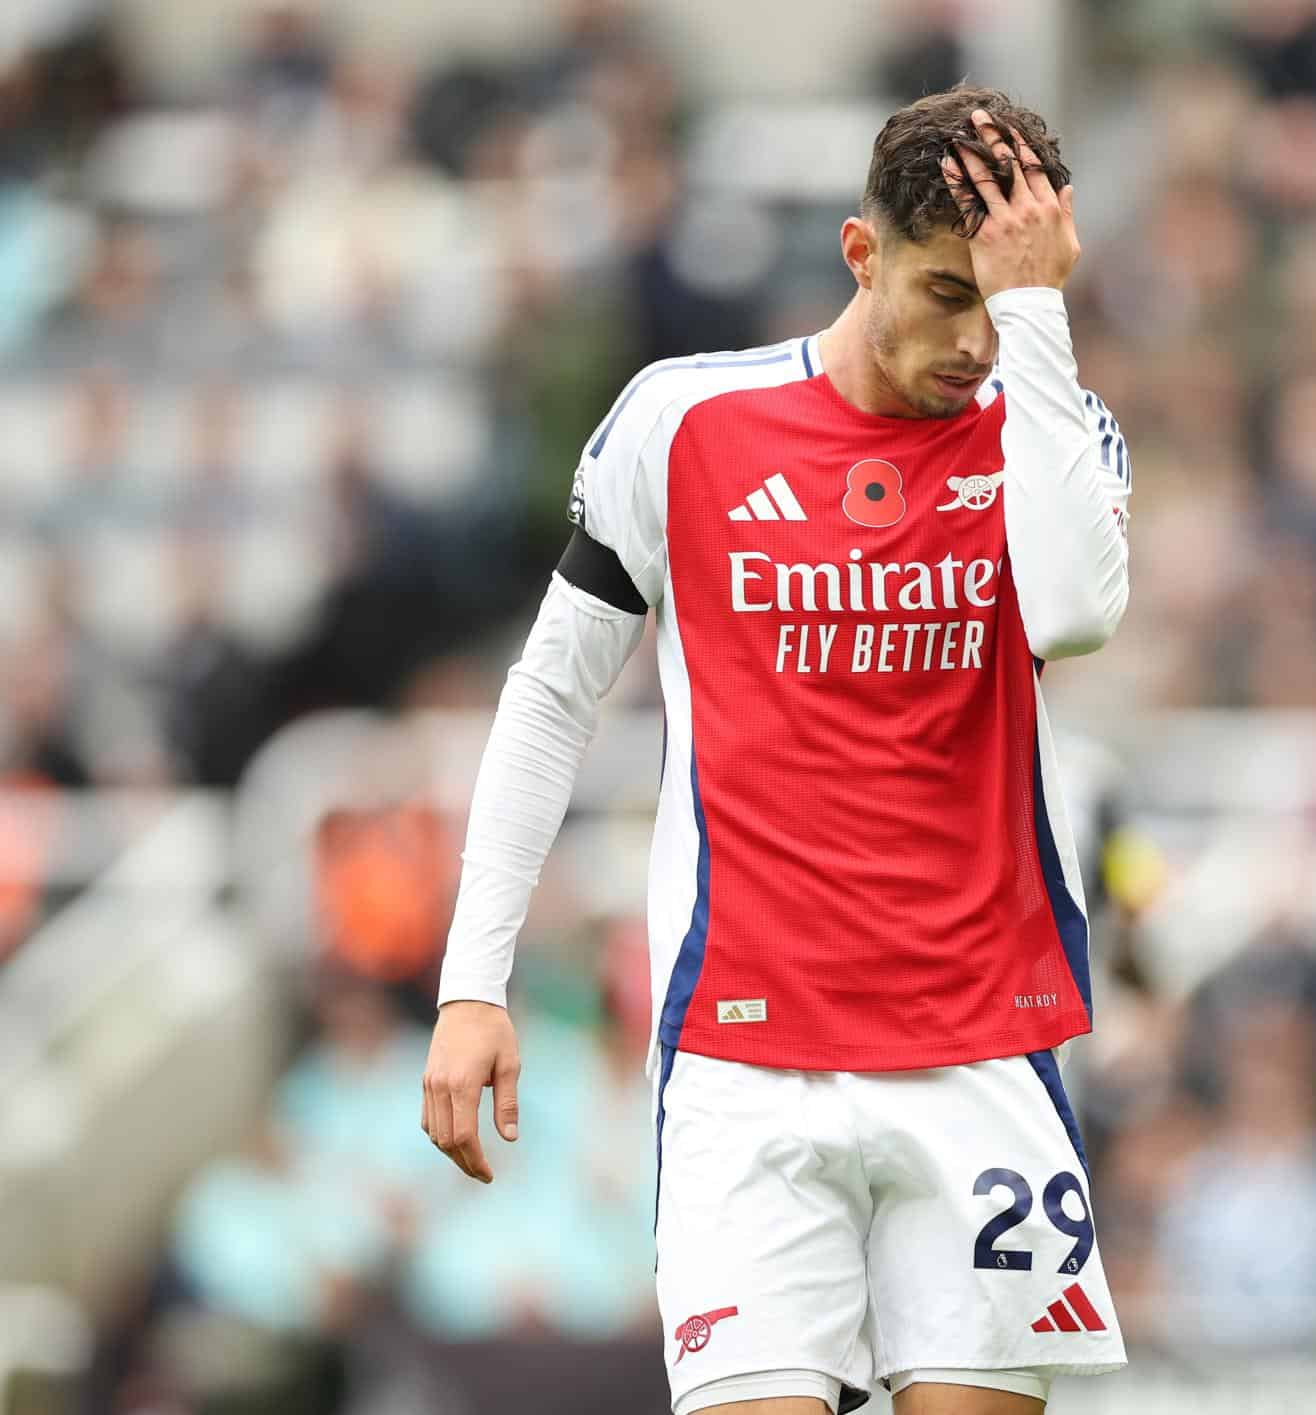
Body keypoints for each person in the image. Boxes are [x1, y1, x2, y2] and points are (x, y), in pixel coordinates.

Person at [420, 85, 1132, 1415]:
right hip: (746, 1061)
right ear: (861, 256)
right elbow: (550, 694)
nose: (974, 341)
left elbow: (1080, 615)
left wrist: (1036, 318)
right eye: (944, 294)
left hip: (981, 1051)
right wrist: (476, 977)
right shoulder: (682, 422)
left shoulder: (1052, 433)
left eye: (1006, 299)